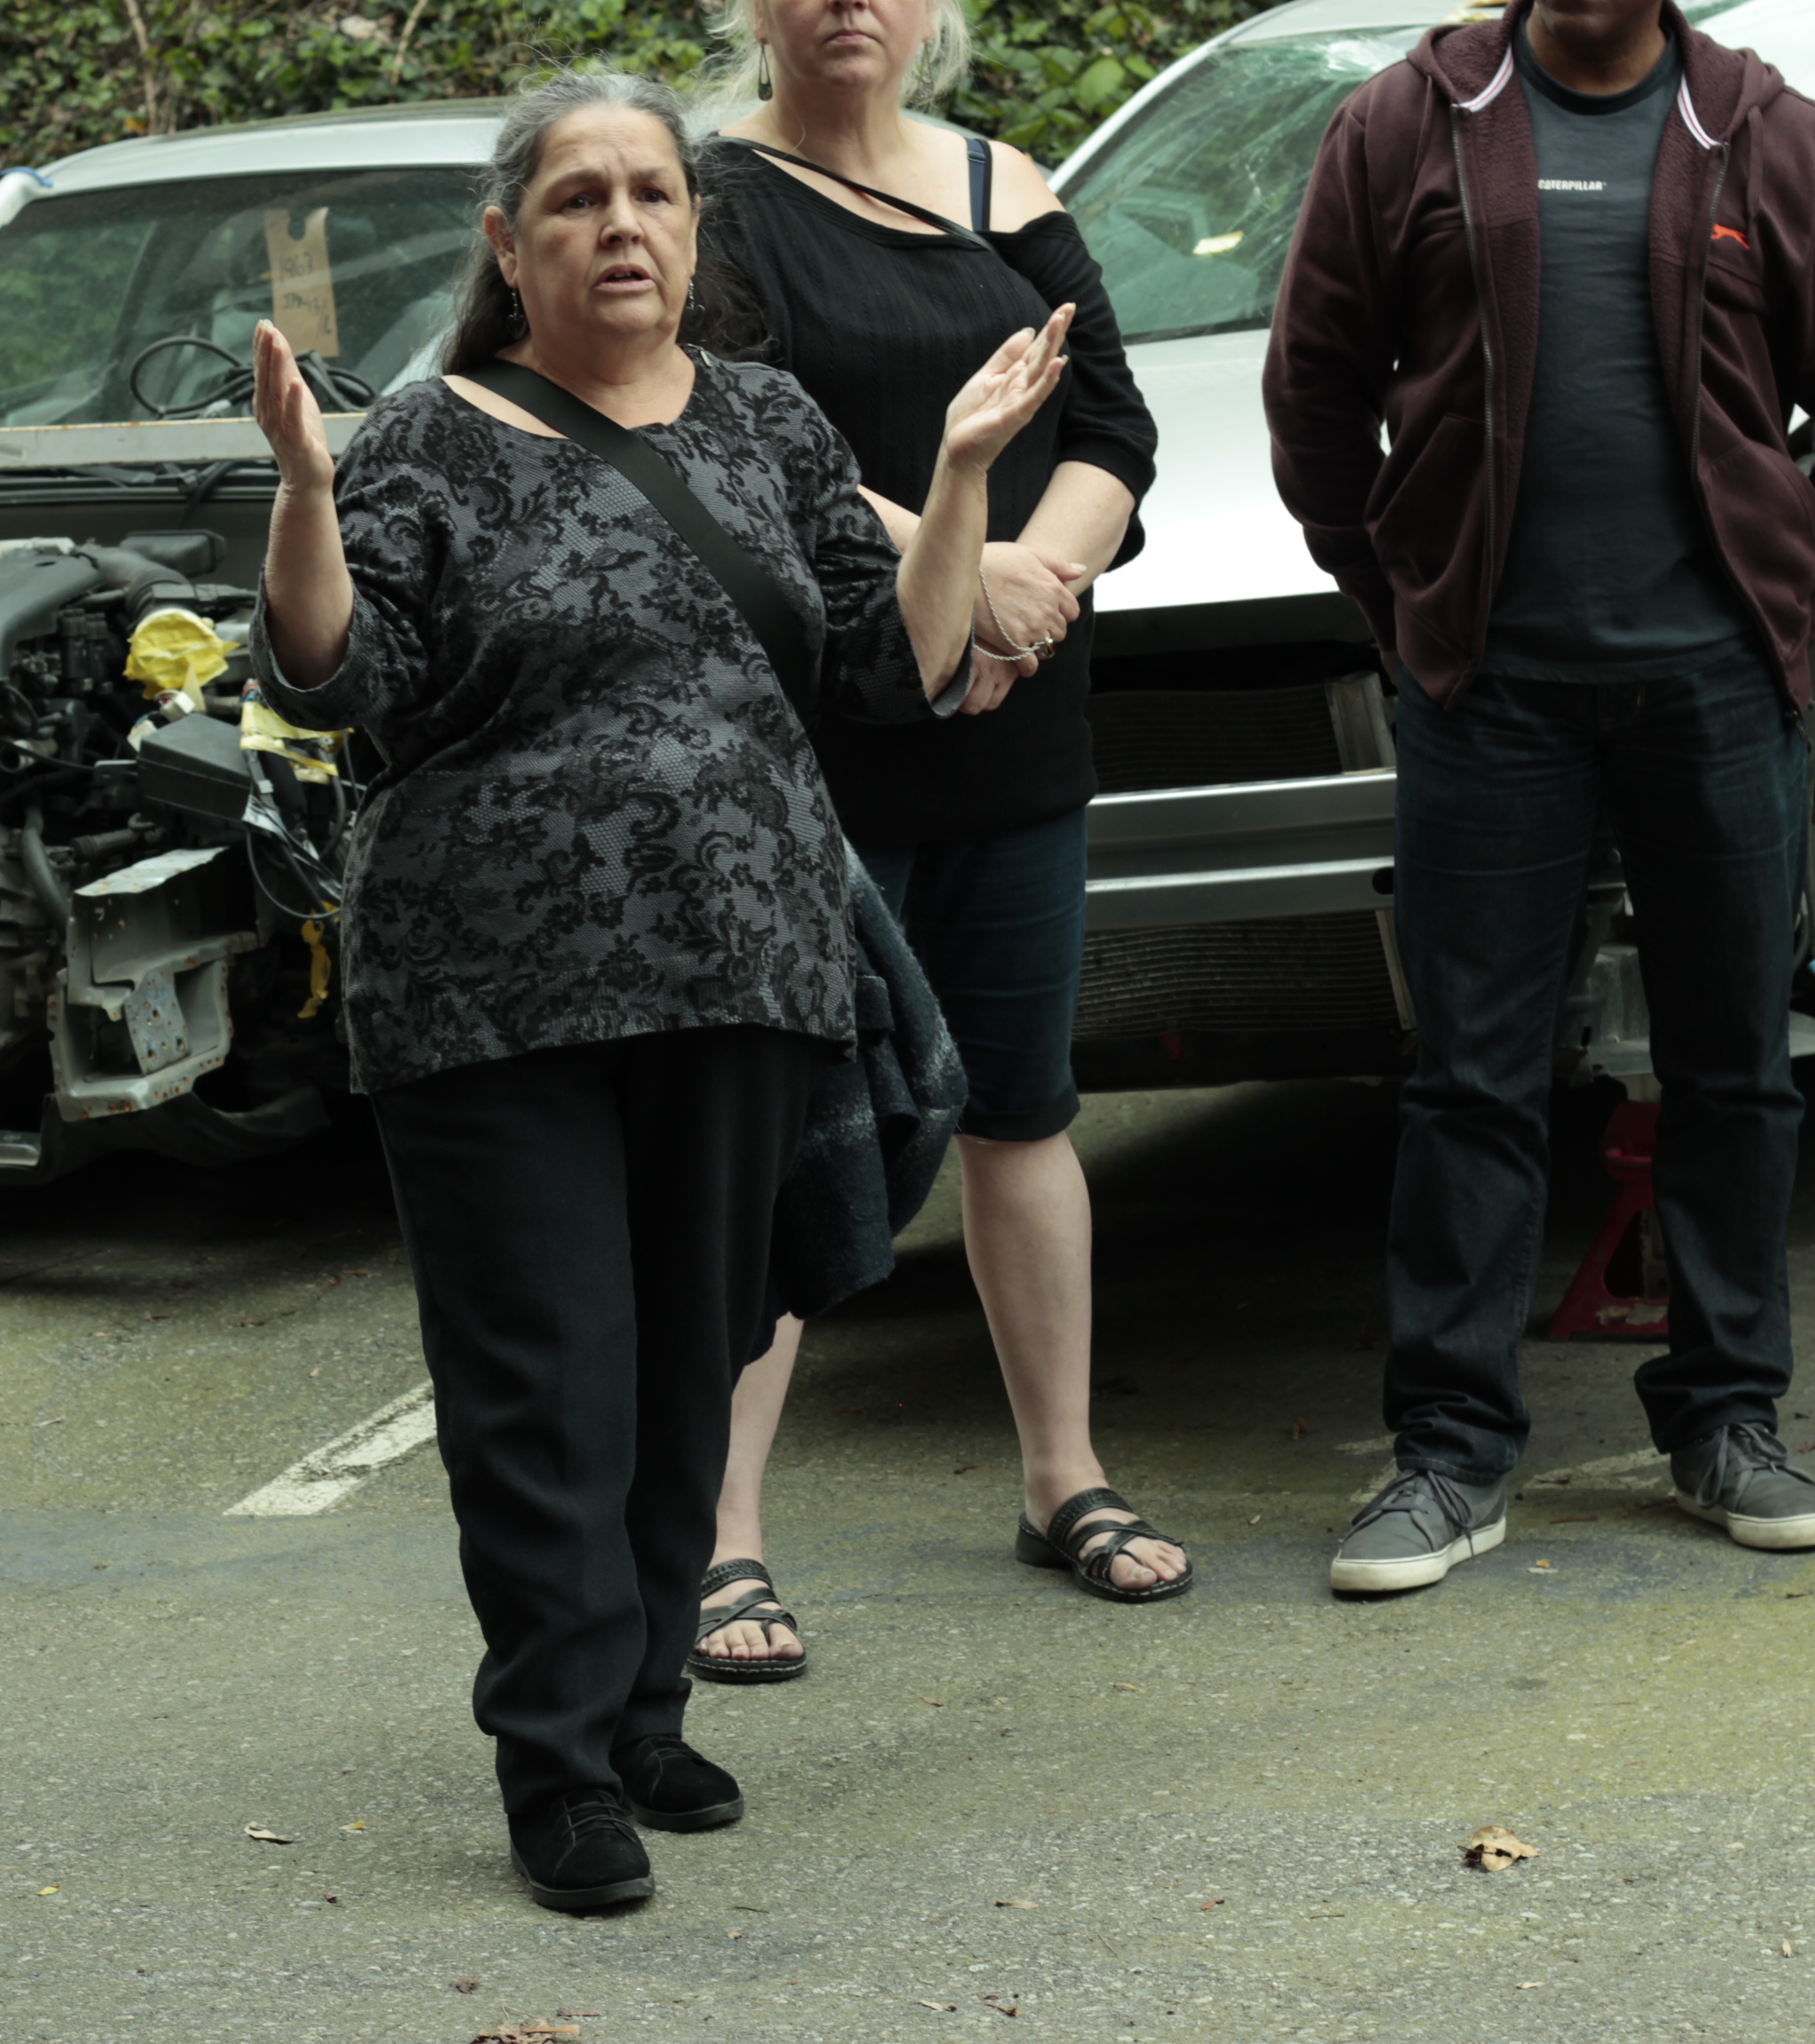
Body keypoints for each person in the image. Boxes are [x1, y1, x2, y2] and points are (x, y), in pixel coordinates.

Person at [246, 68, 1068, 1911]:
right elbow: (335, 675)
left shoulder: (765, 418)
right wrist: (303, 490)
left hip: (743, 969)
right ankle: (554, 1766)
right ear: (507, 242)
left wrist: (956, 476)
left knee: (696, 1358)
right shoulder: (424, 439)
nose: (621, 225)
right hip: (494, 999)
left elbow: (897, 665)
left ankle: (639, 1712)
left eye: (653, 195)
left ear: (696, 232)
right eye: (578, 199)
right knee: (547, 1381)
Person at [1261, 0, 1815, 1592]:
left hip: (1716, 686)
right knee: (1472, 1079)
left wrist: (1801, 590)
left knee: (1735, 1068)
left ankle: (1726, 1419)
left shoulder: (1776, 136)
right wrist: (1407, 595)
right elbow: (1316, 392)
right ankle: (1450, 1454)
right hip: (1488, 690)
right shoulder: (1401, 126)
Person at [687, 0, 1179, 1684]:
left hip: (1015, 726)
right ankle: (719, 1535)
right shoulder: (711, 198)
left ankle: (1063, 1478)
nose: (850, 3)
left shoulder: (999, 184)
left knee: (1022, 1108)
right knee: (781, 1133)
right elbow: (732, 443)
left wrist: (1038, 585)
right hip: (823, 737)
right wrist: (972, 571)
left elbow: (1110, 429)